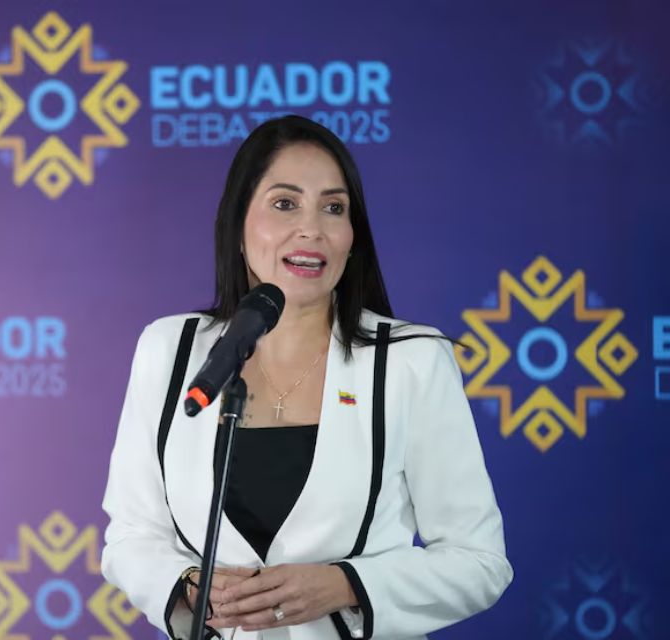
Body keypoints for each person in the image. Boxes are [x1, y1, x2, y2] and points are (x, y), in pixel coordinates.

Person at [101, 115, 512, 640]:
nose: (312, 229)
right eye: (284, 203)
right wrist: (186, 584)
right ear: (238, 225)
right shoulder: (170, 349)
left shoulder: (412, 360)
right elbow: (131, 536)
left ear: (352, 237)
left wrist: (346, 585)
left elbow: (479, 562)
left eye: (333, 208)